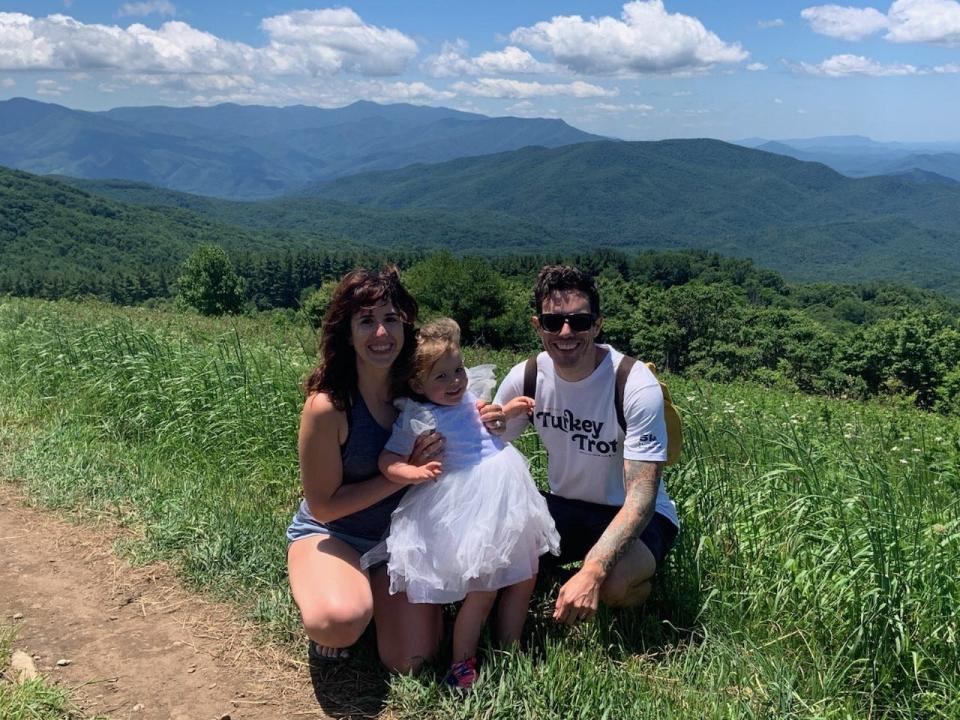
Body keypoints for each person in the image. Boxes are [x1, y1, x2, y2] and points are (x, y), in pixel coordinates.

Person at [364, 318, 559, 690]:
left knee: (524, 573)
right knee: (483, 588)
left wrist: (510, 410)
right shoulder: (422, 417)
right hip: (469, 506)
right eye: (441, 377)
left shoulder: (470, 395)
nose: (455, 382)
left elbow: (488, 420)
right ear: (418, 383)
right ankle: (461, 663)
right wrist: (410, 472)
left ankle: (509, 648)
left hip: (508, 494)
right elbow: (387, 459)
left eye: (458, 371)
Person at [492, 264, 679, 626]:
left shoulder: (633, 383)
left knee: (612, 584)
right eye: (552, 322)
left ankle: (638, 589)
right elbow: (485, 450)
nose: (565, 332)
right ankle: (562, 581)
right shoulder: (527, 377)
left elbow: (641, 498)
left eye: (579, 322)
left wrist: (592, 571)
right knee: (498, 554)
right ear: (537, 325)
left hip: (638, 513)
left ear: (597, 324)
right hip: (566, 506)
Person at [286, 267, 449, 672]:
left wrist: (492, 420)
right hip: (333, 533)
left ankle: (370, 598)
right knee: (338, 623)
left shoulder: (418, 389)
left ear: (406, 325)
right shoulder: (328, 407)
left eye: (391, 319)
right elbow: (323, 507)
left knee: (412, 660)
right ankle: (336, 594)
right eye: (366, 321)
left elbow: (462, 412)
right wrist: (397, 474)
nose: (381, 334)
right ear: (348, 333)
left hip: (399, 539)